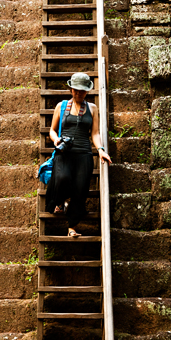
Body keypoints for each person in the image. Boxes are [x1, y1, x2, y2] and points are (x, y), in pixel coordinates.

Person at [45, 72, 112, 237]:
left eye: (82, 90)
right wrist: (56, 140)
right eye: (76, 90)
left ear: (87, 91)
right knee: (62, 178)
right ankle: (60, 201)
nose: (79, 93)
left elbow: (95, 134)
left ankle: (72, 226)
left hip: (84, 153)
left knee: (80, 189)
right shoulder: (61, 106)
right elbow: (52, 131)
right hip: (64, 152)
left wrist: (101, 150)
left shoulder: (92, 108)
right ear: (70, 89)